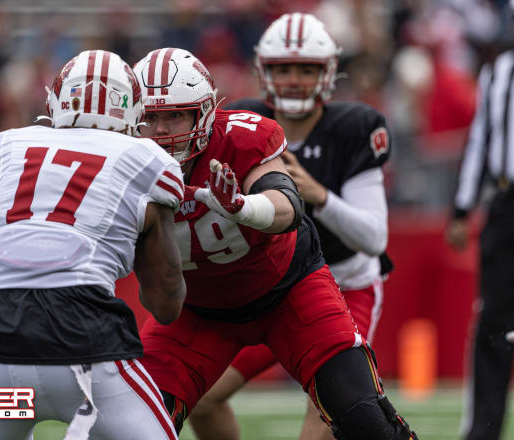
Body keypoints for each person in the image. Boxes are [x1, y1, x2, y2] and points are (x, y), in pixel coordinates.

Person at [133, 47, 416, 440]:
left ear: (204, 113)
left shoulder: (241, 136)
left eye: (175, 114)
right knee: (133, 424)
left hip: (289, 291)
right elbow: (159, 304)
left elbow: (287, 207)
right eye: (151, 118)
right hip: (197, 312)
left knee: (363, 418)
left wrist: (242, 206)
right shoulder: (121, 166)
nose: (163, 131)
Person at [0, 49, 186, 440]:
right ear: (133, 110)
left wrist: (1, 328)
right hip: (87, 340)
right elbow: (165, 302)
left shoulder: (8, 146)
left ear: (55, 100)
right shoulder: (147, 160)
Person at [187, 13, 394, 440]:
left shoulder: (354, 127)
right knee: (203, 402)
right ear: (264, 70)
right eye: (283, 68)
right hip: (270, 289)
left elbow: (373, 239)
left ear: (328, 72)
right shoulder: (242, 123)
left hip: (342, 284)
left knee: (324, 420)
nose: (294, 79)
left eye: (307, 69)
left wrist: (318, 195)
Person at [445, 47, 514, 440]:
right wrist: (461, 208)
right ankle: (483, 431)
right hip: (507, 205)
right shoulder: (499, 71)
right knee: (493, 323)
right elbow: (480, 140)